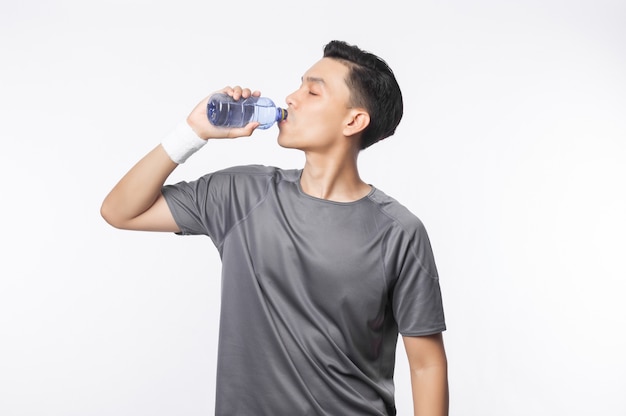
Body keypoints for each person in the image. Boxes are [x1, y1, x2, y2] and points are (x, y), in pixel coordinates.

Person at [101, 40, 448, 416]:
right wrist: (193, 132)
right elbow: (120, 211)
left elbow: (426, 364)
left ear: (353, 121)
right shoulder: (240, 195)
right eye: (299, 86)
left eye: (313, 91)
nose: (292, 98)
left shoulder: (398, 232)